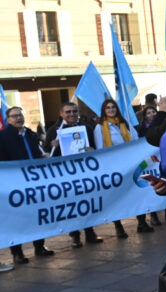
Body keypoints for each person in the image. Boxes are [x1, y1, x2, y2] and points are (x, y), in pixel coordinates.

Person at [0, 106, 54, 263]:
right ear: (8, 119)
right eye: (14, 116)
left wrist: (43, 156)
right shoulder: (3, 136)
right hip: (15, 183)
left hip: (34, 181)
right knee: (16, 218)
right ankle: (17, 252)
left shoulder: (30, 134)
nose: (18, 118)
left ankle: (40, 246)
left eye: (20, 115)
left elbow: (36, 152)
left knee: (37, 214)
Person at [46, 103, 104, 248]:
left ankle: (90, 232)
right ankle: (75, 235)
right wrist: (52, 146)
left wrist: (92, 149)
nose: (72, 114)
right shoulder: (54, 130)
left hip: (84, 171)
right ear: (61, 113)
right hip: (65, 174)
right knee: (71, 204)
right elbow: (47, 152)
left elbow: (95, 147)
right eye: (68, 112)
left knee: (87, 202)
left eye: (74, 111)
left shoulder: (86, 128)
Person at [93, 98, 150, 238]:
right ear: (103, 111)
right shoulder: (100, 127)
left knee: (136, 192)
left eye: (113, 107)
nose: (111, 110)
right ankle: (118, 226)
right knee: (116, 197)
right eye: (108, 108)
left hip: (131, 165)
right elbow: (100, 149)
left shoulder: (125, 123)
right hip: (113, 167)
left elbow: (136, 140)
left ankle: (141, 222)